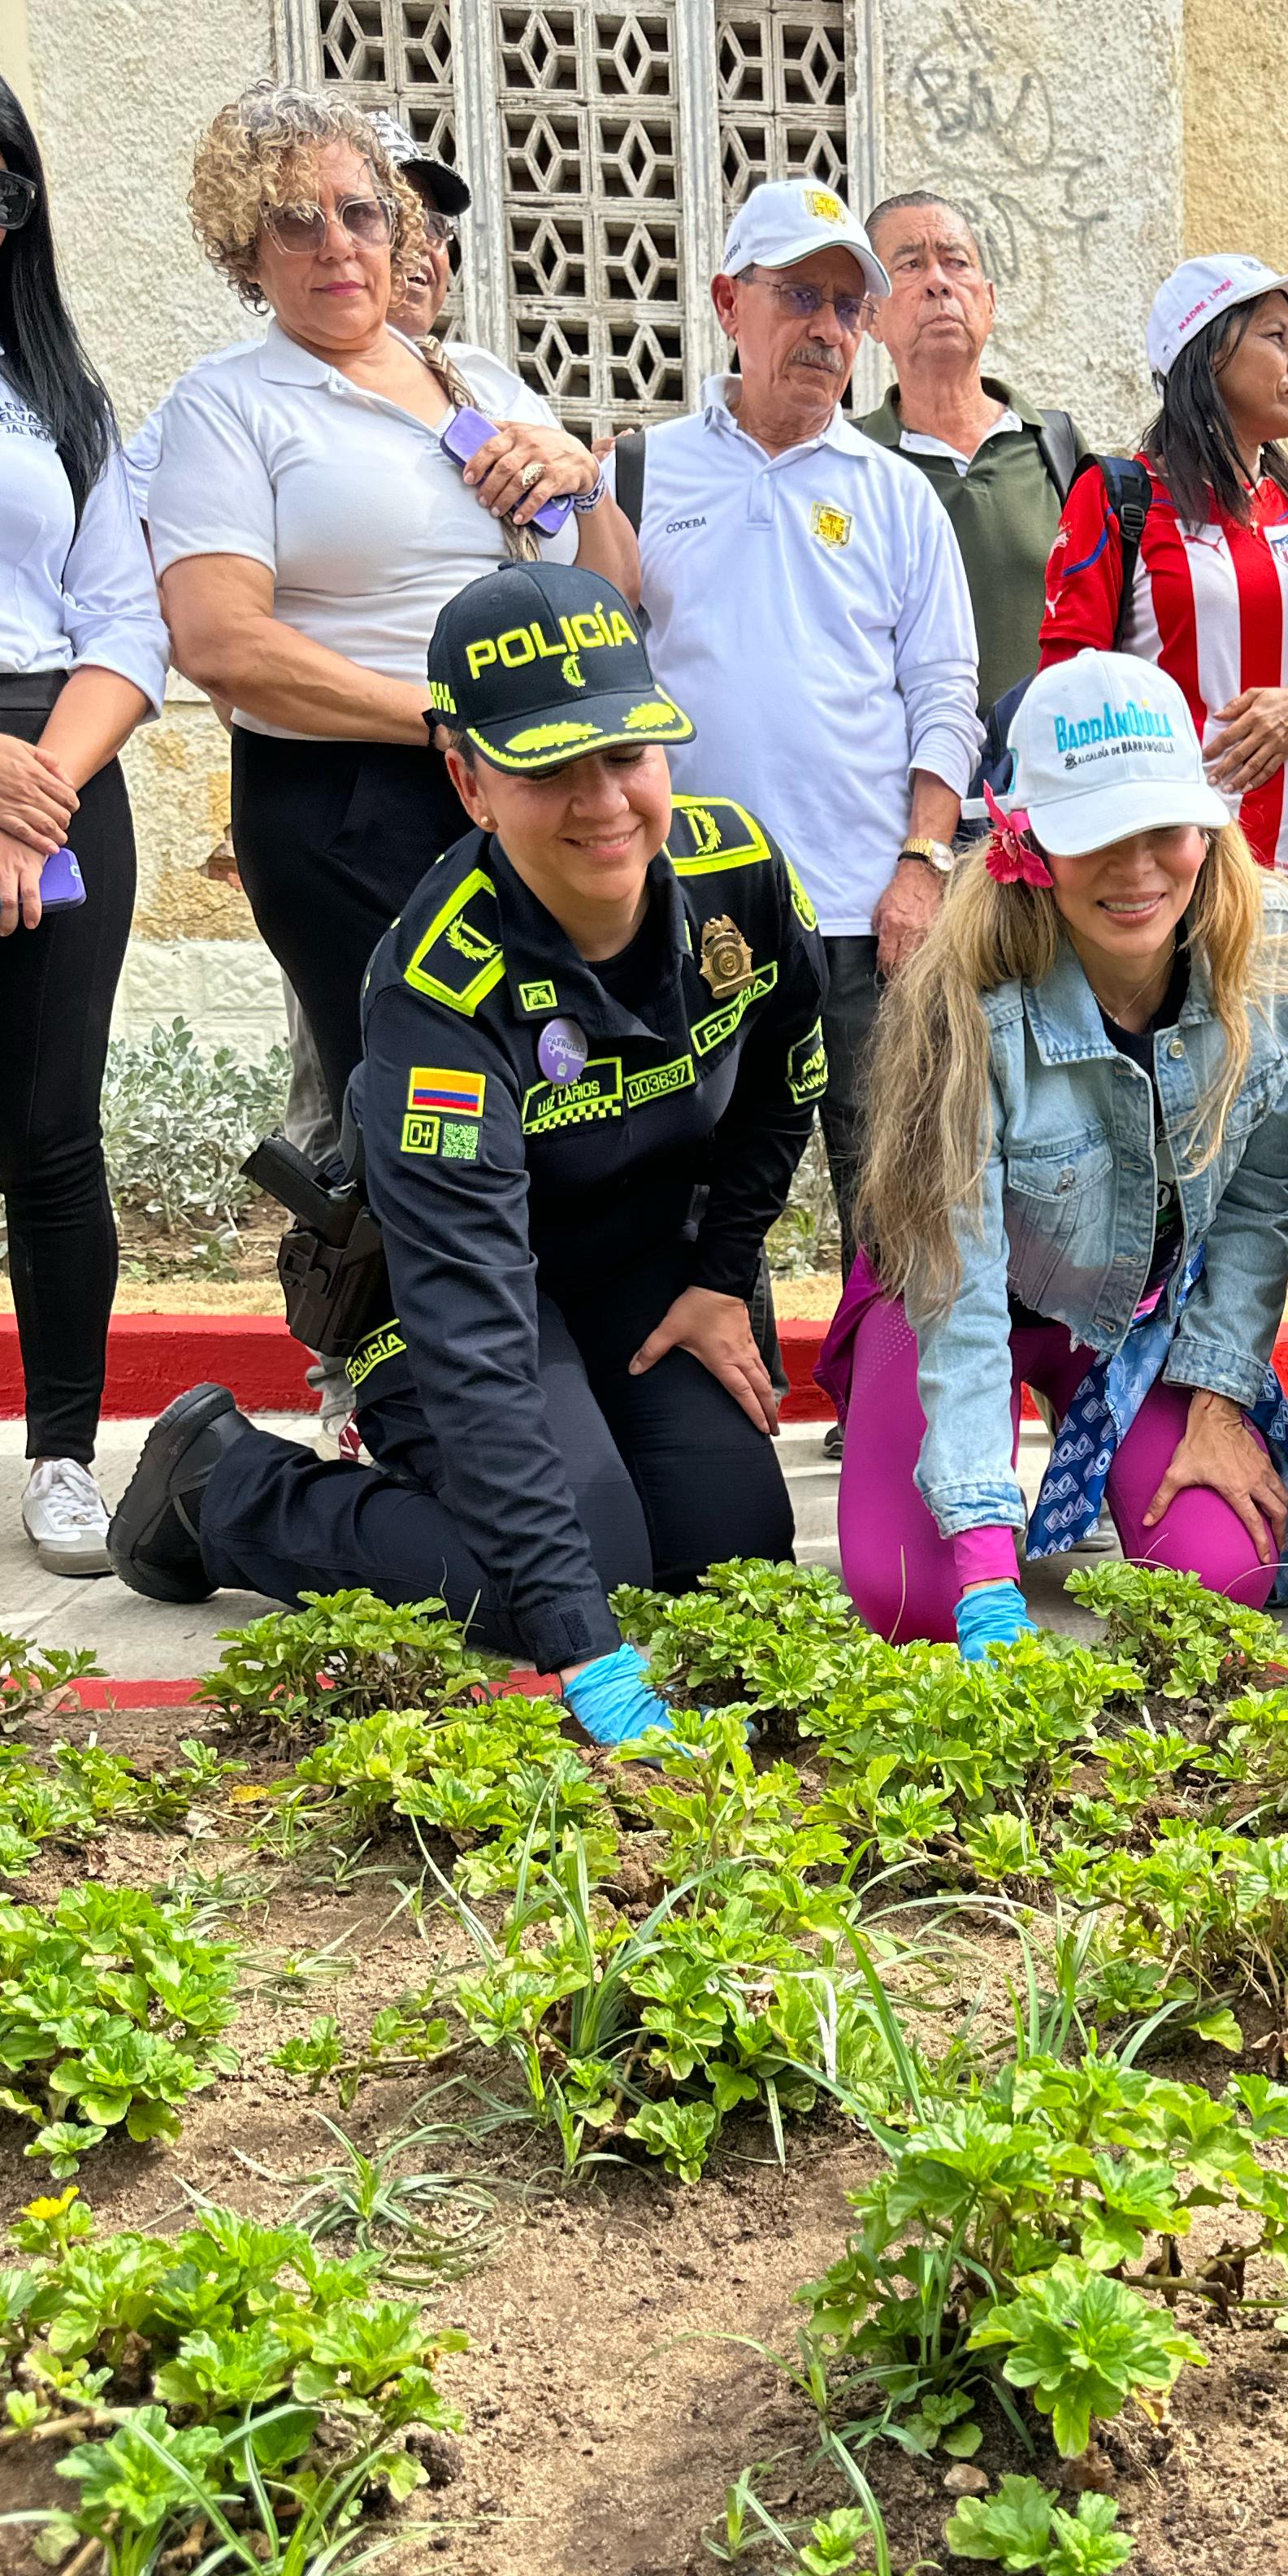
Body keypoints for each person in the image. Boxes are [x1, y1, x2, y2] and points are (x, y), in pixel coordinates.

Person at [107, 570, 826, 1754]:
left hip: (640, 1280)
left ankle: (579, 1470)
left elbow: (790, 1074)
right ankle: (224, 1487)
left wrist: (722, 1274)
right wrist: (579, 1643)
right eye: (548, 768)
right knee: (576, 1576)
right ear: (468, 781)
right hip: (451, 1306)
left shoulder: (736, 872)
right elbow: (473, 1329)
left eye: (627, 754)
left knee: (729, 1557)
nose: (602, 803)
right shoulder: (441, 991)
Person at [826, 650, 1288, 1657]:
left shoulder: (1273, 948)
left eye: (1163, 828)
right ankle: (945, 1449)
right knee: (911, 1600)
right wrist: (980, 1562)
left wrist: (1223, 1397)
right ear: (1028, 844)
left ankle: (1094, 1432)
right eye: (1095, 835)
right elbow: (958, 1283)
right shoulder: (960, 997)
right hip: (949, 1302)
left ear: (1207, 822)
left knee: (1229, 1572)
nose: (1138, 869)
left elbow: (1260, 1203)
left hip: (1136, 1319)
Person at [143, 85, 638, 1112]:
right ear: (246, 250)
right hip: (351, 800)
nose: (337, 244)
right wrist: (445, 724)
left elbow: (614, 598)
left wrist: (580, 484)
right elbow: (220, 640)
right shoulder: (229, 403)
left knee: (566, 1100)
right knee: (427, 1113)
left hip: (521, 781)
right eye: (295, 218)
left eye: (360, 212)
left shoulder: (484, 382)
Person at [635, 176, 982, 1282]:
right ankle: (707, 1410)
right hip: (689, 902)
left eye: (847, 306)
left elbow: (944, 693)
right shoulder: (636, 476)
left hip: (858, 910)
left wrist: (923, 865)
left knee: (890, 1188)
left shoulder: (894, 495)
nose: (829, 328)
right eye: (802, 296)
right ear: (729, 300)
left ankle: (881, 1416)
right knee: (689, 1188)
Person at [0, 41, 167, 1578]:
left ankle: (63, 1454)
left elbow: (126, 622)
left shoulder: (54, 393)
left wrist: (27, 802)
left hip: (55, 775)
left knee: (48, 1138)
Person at [1038, 254, 1288, 962]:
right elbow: (1064, 693)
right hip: (1164, 888)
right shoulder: (1118, 496)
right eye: (1276, 338)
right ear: (1208, 354)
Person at [856, 191, 1086, 720]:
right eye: (910, 264)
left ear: (989, 301)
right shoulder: (851, 463)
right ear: (871, 316)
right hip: (904, 784)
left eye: (956, 262)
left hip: (1049, 780)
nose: (939, 281)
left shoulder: (1056, 447)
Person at [376, 116, 469, 342]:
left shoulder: (474, 375)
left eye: (433, 224)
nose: (417, 240)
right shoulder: (288, 376)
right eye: (394, 218)